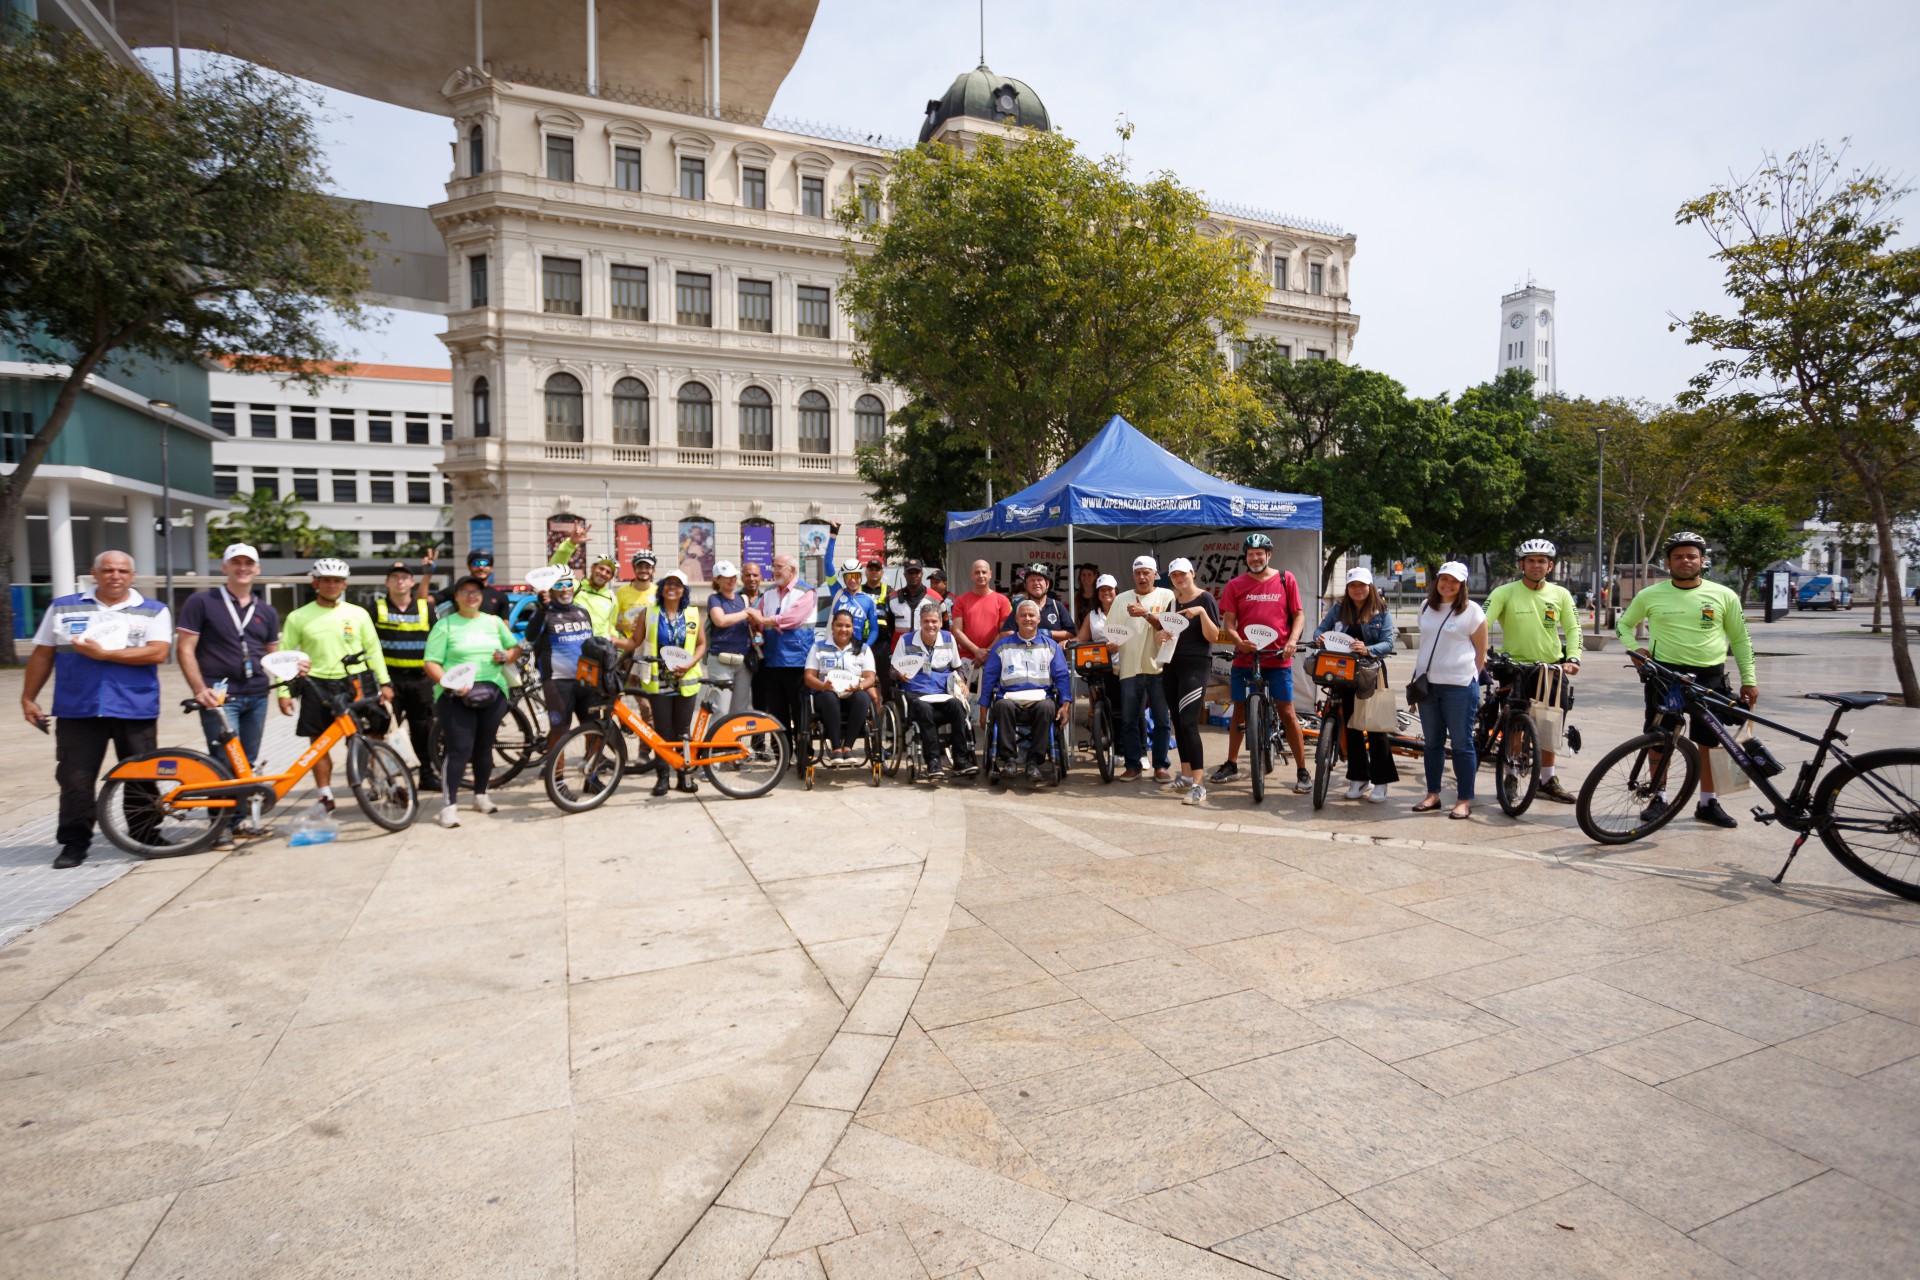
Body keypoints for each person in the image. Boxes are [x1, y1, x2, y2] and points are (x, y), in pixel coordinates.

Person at [21, 551, 172, 869]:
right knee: (75, 779)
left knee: (141, 776)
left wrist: (104, 654)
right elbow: (42, 655)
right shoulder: (63, 606)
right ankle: (74, 844)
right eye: (107, 570)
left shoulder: (153, 610)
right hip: (78, 708)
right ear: (94, 573)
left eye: (122, 570)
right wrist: (28, 697)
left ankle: (146, 834)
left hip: (135, 707)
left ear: (132, 575)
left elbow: (157, 652)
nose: (115, 575)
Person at [1616, 531, 1758, 828]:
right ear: (1667, 562)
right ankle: (1658, 797)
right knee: (1660, 740)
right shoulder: (1650, 595)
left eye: (1691, 556)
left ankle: (1708, 802)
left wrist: (1749, 679)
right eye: (1678, 556)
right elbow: (1623, 625)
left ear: (1702, 561)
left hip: (1710, 677)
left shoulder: (1724, 595)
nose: (1685, 561)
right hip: (1665, 676)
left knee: (1710, 742)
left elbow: (1740, 639)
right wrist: (1637, 650)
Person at [276, 559, 392, 815]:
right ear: (315, 583)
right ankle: (325, 794)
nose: (332, 585)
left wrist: (384, 682)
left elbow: (373, 650)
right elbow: (285, 655)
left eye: (337, 580)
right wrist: (283, 692)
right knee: (318, 742)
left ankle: (376, 781)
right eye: (326, 580)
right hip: (316, 685)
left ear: (344, 584)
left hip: (356, 682)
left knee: (369, 736)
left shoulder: (358, 613)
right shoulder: (298, 617)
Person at [176, 542, 280, 795]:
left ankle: (241, 819)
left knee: (248, 760)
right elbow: (185, 649)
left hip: (257, 694)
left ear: (257, 569)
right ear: (225, 567)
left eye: (248, 563)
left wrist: (292, 668)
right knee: (224, 761)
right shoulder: (202, 601)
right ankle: (223, 827)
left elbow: (272, 655)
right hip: (219, 696)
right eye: (236, 563)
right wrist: (199, 689)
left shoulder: (266, 610)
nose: (242, 568)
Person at [1483, 538, 1583, 803]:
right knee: (1515, 724)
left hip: (1551, 667)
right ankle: (1513, 774)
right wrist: (1480, 653)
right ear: (1522, 564)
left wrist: (1573, 657)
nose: (1536, 565)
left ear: (1550, 566)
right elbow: (1482, 622)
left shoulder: (1560, 594)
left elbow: (1573, 629)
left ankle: (1547, 780)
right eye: (1531, 561)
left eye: (1542, 561)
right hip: (1514, 666)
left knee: (1549, 724)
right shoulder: (1504, 592)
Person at [1212, 533, 1310, 795]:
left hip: (1278, 657)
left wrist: (1292, 640)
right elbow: (1229, 623)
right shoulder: (1235, 584)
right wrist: (1238, 641)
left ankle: (1302, 770)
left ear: (1269, 554)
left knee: (1287, 712)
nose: (1255, 558)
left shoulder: (1284, 579)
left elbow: (1298, 615)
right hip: (1246, 656)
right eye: (1250, 554)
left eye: (1260, 553)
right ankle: (1232, 763)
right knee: (1240, 711)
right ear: (1246, 557)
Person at [423, 576, 521, 827]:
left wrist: (505, 656)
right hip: (455, 695)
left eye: (475, 592)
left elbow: (514, 649)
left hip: (493, 691)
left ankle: (481, 795)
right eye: (464, 592)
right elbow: (431, 661)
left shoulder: (494, 622)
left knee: (484, 747)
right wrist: (449, 683)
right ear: (456, 597)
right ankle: (449, 804)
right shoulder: (445, 625)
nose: (471, 596)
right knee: (459, 749)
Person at [1313, 567, 1398, 803]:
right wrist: (1319, 636)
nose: (1357, 589)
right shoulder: (1339, 609)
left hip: (1370, 674)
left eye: (1362, 585)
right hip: (1343, 672)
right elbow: (1321, 629)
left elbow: (1388, 643)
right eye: (1353, 585)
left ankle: (1381, 782)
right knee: (1351, 726)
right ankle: (1359, 777)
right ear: (1348, 588)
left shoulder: (1381, 611)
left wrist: (1367, 649)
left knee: (1375, 728)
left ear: (1370, 586)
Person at [1411, 562, 1488, 820]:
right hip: (1428, 686)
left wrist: (1471, 679)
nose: (1447, 585)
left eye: (1454, 581)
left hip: (1460, 687)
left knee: (1462, 744)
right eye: (1444, 579)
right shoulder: (1425, 607)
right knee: (1432, 743)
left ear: (1462, 584)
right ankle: (1433, 794)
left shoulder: (1472, 611)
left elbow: (1481, 653)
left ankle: (1463, 800)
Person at [1147, 558, 1222, 805]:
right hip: (1172, 664)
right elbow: (1166, 635)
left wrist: (1200, 613)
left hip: (1195, 665)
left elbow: (1213, 636)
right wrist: (1159, 634)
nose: (1179, 579)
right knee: (1178, 721)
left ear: (1192, 573)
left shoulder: (1205, 600)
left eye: (1183, 574)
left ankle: (1200, 784)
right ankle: (1187, 776)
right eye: (1174, 576)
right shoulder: (1173, 601)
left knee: (1189, 722)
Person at [980, 599, 1073, 784]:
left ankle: (1033, 762)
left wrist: (1065, 705)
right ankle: (1009, 760)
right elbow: (988, 679)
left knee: (1048, 707)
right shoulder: (1002, 646)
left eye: (1032, 615)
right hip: (1009, 699)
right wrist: (983, 711)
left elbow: (1062, 677)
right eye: (1023, 615)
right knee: (1002, 706)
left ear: (1039, 619)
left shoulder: (1051, 646)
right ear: (1016, 619)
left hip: (1041, 699)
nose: (1027, 619)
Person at [634, 568, 709, 794]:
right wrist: (609, 640)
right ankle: (663, 777)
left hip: (685, 681)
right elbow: (634, 641)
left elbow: (701, 645)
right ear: (662, 587)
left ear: (684, 590)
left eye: (677, 585)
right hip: (659, 682)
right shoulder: (648, 613)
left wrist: (689, 664)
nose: (672, 588)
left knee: (683, 731)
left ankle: (684, 777)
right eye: (668, 584)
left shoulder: (693, 614)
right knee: (663, 732)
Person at [369, 560, 439, 794]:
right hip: (390, 682)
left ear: (412, 581)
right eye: (395, 577)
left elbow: (437, 642)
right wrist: (379, 682)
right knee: (384, 732)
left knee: (423, 731)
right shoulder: (375, 608)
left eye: (404, 577)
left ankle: (427, 776)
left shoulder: (425, 608)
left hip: (420, 681)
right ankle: (382, 782)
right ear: (387, 582)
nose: (400, 581)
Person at [1108, 555, 1175, 782]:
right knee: (1128, 720)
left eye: (1146, 572)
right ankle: (1133, 765)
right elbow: (1112, 631)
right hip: (1129, 668)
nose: (1142, 577)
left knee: (1161, 720)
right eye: (1137, 573)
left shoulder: (1167, 596)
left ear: (1155, 574)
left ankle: (1160, 766)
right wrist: (1112, 644)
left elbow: (1170, 627)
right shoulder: (1120, 600)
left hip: (1158, 667)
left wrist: (1145, 614)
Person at [893, 600, 976, 777]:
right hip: (917, 694)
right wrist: (900, 674)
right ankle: (933, 762)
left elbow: (957, 667)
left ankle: (961, 760)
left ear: (940, 622)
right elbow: (892, 670)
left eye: (934, 621)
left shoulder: (948, 638)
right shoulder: (906, 640)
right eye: (926, 621)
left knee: (957, 707)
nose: (930, 625)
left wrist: (961, 681)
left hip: (942, 694)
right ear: (920, 623)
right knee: (924, 709)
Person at [524, 573, 599, 751]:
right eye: (558, 586)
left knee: (594, 728)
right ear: (551, 590)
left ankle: (592, 774)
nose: (564, 589)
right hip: (558, 682)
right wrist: (542, 609)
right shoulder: (545, 613)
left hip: (587, 679)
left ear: (573, 587)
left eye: (567, 584)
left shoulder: (582, 612)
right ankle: (555, 777)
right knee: (559, 731)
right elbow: (530, 636)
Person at [747, 552, 818, 741]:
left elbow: (794, 619)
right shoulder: (768, 592)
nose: (774, 571)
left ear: (792, 570)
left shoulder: (806, 592)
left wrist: (765, 620)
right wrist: (758, 627)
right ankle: (782, 756)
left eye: (779, 567)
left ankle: (804, 753)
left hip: (797, 661)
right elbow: (759, 618)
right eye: (774, 566)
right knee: (777, 713)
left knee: (799, 710)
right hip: (772, 660)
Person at [804, 608, 878, 766]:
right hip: (826, 694)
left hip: (852, 693)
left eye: (847, 626)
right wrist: (823, 686)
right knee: (829, 698)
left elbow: (870, 677)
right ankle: (836, 748)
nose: (843, 629)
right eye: (839, 625)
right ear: (832, 626)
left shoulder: (863, 649)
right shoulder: (818, 647)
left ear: (852, 628)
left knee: (863, 697)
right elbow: (809, 677)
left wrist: (860, 686)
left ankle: (848, 747)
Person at [705, 560, 755, 716]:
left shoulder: (743, 599)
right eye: (726, 576)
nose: (731, 580)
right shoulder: (714, 599)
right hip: (721, 660)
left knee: (739, 711)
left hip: (743, 661)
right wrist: (746, 614)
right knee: (720, 710)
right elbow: (720, 621)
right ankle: (716, 741)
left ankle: (734, 740)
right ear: (716, 579)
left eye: (733, 576)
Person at [1075, 573, 1123, 733]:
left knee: (1120, 707)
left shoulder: (1125, 612)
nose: (1106, 593)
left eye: (1109, 589)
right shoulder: (1092, 615)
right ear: (1097, 593)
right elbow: (1081, 638)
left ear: (1116, 591)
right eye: (1102, 590)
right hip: (1101, 665)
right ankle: (1102, 733)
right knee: (1102, 702)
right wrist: (1065, 643)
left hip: (1124, 666)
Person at [949, 558, 1012, 672]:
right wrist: (976, 651)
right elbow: (957, 631)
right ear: (971, 575)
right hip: (966, 659)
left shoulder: (1002, 600)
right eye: (977, 572)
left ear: (990, 574)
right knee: (965, 690)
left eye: (984, 572)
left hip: (994, 656)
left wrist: (987, 652)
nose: (981, 575)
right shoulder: (961, 600)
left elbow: (1004, 631)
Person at [1000, 563, 1074, 642]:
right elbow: (1005, 633)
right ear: (1026, 586)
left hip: (1052, 653)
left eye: (1039, 580)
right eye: (1032, 580)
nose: (1036, 583)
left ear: (1047, 584)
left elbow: (1072, 634)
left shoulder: (1057, 606)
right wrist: (1025, 636)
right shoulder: (1022, 607)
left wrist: (1049, 633)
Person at [433, 549, 511, 618]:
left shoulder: (500, 597)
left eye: (485, 563)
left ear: (491, 568)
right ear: (469, 567)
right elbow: (426, 601)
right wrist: (427, 574)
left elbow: (505, 627)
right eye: (476, 563)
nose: (481, 567)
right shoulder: (456, 589)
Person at [828, 558, 881, 648]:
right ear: (843, 578)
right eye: (848, 576)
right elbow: (827, 563)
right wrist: (832, 542)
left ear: (861, 577)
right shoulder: (836, 592)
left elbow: (874, 629)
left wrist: (867, 645)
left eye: (856, 576)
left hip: (855, 648)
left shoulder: (868, 601)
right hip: (834, 645)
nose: (852, 580)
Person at [863, 557, 895, 694]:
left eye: (877, 570)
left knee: (885, 677)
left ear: (882, 573)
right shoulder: (858, 589)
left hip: (882, 641)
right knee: (862, 675)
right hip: (862, 640)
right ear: (866, 572)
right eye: (871, 569)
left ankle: (888, 704)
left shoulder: (889, 591)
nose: (874, 572)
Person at [614, 548, 658, 637]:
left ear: (653, 570)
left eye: (648, 567)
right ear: (634, 569)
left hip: (653, 643)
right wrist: (624, 626)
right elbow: (611, 621)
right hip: (630, 644)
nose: (643, 570)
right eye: (640, 566)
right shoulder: (622, 591)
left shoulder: (658, 591)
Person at [575, 552, 621, 638]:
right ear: (592, 568)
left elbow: (611, 626)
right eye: (601, 568)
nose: (603, 573)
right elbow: (556, 567)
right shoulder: (576, 587)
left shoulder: (611, 598)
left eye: (608, 572)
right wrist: (570, 545)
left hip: (600, 647)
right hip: (577, 645)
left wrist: (614, 639)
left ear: (611, 578)